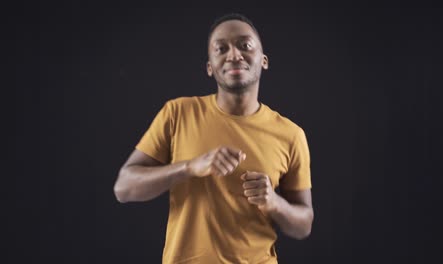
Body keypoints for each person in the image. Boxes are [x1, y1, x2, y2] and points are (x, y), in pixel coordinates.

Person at [113, 13, 314, 264]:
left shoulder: (291, 134)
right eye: (221, 48)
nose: (234, 55)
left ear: (264, 60)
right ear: (210, 67)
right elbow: (123, 188)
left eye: (245, 45)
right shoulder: (177, 113)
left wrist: (274, 202)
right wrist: (190, 166)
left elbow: (303, 224)